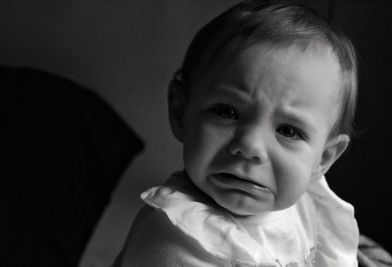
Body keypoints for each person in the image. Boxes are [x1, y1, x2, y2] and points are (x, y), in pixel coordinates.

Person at [114, 0, 359, 266]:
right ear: (180, 112)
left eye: (288, 131)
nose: (250, 145)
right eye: (227, 112)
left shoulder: (308, 204)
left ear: (322, 160)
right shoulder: (175, 240)